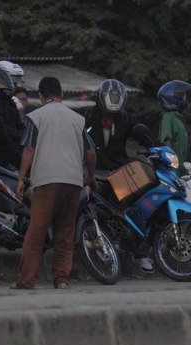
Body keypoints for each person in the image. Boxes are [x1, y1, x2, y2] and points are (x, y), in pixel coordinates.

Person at [10, 76, 96, 290]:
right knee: (65, 232)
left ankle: (27, 281)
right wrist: (90, 177)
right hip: (73, 182)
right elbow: (91, 152)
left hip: (47, 181)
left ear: (40, 97)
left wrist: (21, 178)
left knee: (37, 231)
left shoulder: (37, 116)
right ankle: (61, 279)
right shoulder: (77, 119)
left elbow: (29, 149)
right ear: (62, 95)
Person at [78, 79, 163, 273]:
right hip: (90, 172)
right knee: (87, 208)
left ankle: (139, 252)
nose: (110, 115)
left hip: (119, 173)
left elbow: (145, 135)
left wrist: (161, 148)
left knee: (140, 206)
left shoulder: (126, 118)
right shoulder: (85, 114)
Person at [157, 80, 191, 176]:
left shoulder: (178, 120)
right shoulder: (169, 118)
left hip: (181, 174)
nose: (186, 101)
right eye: (184, 98)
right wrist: (172, 169)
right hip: (173, 174)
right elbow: (167, 145)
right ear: (176, 98)